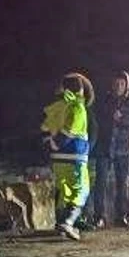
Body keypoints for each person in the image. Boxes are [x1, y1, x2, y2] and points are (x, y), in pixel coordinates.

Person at [41, 72, 93, 240]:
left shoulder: (57, 106)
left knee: (62, 192)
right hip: (74, 157)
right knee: (80, 191)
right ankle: (68, 222)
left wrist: (51, 143)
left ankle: (60, 223)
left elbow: (44, 127)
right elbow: (70, 130)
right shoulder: (78, 107)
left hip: (57, 159)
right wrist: (59, 142)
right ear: (80, 90)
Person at [87, 71, 129, 229]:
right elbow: (96, 119)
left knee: (122, 184)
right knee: (100, 184)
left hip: (123, 149)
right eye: (116, 83)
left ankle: (121, 216)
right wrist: (110, 116)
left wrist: (122, 120)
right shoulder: (104, 101)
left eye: (122, 84)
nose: (119, 87)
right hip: (105, 148)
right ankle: (98, 217)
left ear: (127, 86)